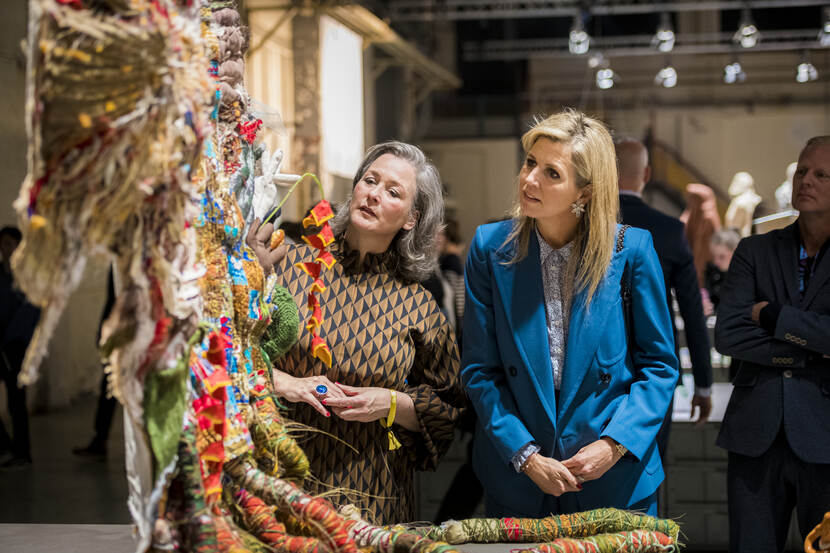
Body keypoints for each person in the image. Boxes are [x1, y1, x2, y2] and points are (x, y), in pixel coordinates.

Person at [462, 110, 678, 518]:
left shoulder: (631, 251)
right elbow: (479, 371)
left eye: (552, 173)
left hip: (614, 481)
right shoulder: (490, 248)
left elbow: (659, 367)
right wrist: (525, 455)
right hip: (520, 480)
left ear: (585, 192)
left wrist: (614, 444)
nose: (529, 180)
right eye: (530, 163)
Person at [248, 141, 464, 525]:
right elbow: (231, 352)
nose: (374, 194)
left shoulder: (419, 306)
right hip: (278, 483)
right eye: (370, 180)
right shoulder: (290, 267)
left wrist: (391, 403)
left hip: (374, 497)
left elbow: (448, 409)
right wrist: (286, 383)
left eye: (393, 192)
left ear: (411, 219)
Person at [715, 136, 830, 552]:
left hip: (825, 434)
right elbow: (728, 333)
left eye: (821, 174)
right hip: (755, 437)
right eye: (803, 170)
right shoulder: (754, 250)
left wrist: (773, 316)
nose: (806, 180)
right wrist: (810, 350)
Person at [616, 138, 713, 450]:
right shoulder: (669, 230)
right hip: (654, 371)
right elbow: (692, 312)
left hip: (594, 374)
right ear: (646, 174)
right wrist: (703, 384)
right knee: (651, 463)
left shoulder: (583, 226)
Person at [0, 226, 40, 470]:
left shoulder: (27, 277)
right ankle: (5, 446)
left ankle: (22, 452)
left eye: (9, 244)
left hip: (16, 346)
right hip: (1, 344)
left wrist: (11, 339)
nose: (5, 249)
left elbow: (30, 312)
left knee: (16, 402)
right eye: (2, 244)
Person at [703, 229, 741, 315]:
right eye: (714, 256)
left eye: (721, 257)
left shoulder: (746, 275)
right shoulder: (712, 272)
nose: (716, 262)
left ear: (735, 252)